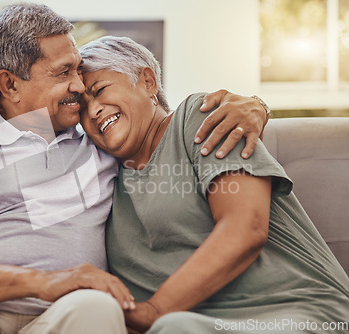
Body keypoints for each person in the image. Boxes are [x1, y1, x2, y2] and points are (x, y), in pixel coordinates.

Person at [0, 4, 270, 334]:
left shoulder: (97, 137)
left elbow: (156, 119)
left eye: (77, 68)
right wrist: (48, 281)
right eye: (63, 72)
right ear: (9, 85)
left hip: (67, 314)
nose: (80, 84)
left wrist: (254, 104)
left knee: (97, 308)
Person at [79, 35, 349, 334]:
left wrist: (155, 311)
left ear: (147, 82)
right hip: (189, 324)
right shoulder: (104, 179)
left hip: (298, 310)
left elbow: (245, 228)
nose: (92, 111)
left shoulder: (199, 117)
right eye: (82, 106)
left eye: (100, 90)